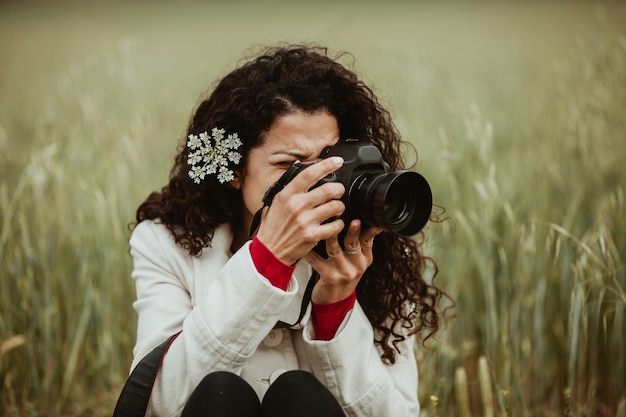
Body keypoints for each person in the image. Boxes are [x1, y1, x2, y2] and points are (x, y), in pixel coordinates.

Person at [129, 44, 447, 417]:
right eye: (290, 164)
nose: (316, 181)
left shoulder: (375, 247)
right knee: (219, 391)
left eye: (329, 160)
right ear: (233, 172)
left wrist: (337, 308)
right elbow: (158, 405)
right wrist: (267, 260)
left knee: (299, 395)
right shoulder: (165, 243)